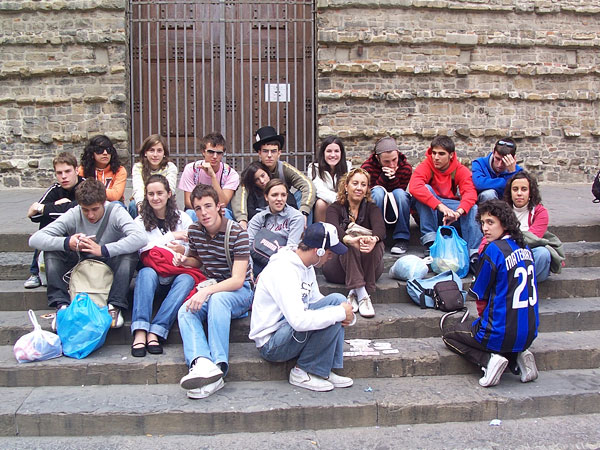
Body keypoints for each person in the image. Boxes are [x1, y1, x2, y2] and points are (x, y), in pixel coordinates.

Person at [442, 200, 539, 387]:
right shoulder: (526, 248)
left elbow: (481, 297)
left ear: (505, 223)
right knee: (505, 331)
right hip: (529, 332)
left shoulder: (493, 250)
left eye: (490, 222)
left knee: (449, 334)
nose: (484, 228)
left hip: (498, 332)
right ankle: (518, 357)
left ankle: (489, 361)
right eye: (482, 223)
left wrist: (482, 324)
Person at [249, 222, 354, 392]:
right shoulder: (283, 270)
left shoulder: (307, 266)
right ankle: (302, 371)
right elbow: (298, 321)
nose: (331, 257)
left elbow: (316, 301)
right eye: (329, 253)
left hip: (290, 331)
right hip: (272, 344)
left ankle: (324, 368)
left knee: (337, 301)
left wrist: (346, 313)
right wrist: (340, 313)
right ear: (318, 251)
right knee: (335, 312)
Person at [28, 179, 147, 329]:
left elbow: (141, 238)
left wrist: (103, 250)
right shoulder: (74, 213)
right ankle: (62, 306)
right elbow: (34, 239)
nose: (90, 215)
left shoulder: (116, 212)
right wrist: (67, 242)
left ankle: (114, 306)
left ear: (103, 203)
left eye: (95, 209)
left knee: (129, 254)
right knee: (52, 252)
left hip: (109, 261)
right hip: (79, 260)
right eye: (85, 210)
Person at [174, 185, 253, 399]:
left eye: (208, 206)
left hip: (240, 291)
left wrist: (205, 292)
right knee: (186, 311)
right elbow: (198, 260)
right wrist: (184, 261)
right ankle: (202, 362)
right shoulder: (195, 231)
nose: (204, 213)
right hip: (213, 286)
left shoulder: (237, 234)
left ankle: (218, 367)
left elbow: (237, 280)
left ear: (219, 206)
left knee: (218, 300)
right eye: (198, 208)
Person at [131, 175, 199, 357]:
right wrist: (172, 236)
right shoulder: (139, 222)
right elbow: (141, 248)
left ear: (169, 194)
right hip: (153, 276)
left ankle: (157, 330)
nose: (155, 198)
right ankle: (140, 330)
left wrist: (182, 251)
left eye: (160, 193)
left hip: (176, 274)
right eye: (151, 194)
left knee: (187, 279)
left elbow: (195, 249)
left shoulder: (183, 218)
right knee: (145, 273)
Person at [322, 168, 385, 318]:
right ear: (346, 186)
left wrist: (373, 239)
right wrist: (349, 239)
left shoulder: (372, 208)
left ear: (367, 189)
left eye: (363, 184)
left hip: (369, 266)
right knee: (347, 244)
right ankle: (363, 295)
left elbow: (380, 229)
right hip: (337, 268)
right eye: (355, 183)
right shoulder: (334, 208)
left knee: (377, 243)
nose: (359, 188)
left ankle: (353, 292)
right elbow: (332, 228)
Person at [409, 135, 482, 258]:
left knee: (473, 208)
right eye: (434, 153)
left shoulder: (460, 169)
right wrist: (439, 206)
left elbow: (470, 193)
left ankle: (474, 254)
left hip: (451, 212)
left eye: (441, 154)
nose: (436, 157)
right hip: (430, 211)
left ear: (451, 155)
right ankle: (430, 242)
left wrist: (458, 212)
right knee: (425, 189)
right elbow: (414, 187)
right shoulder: (426, 165)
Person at [25, 152, 85, 289]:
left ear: (76, 170)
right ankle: (35, 272)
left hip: (81, 230)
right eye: (59, 173)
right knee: (46, 223)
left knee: (51, 215)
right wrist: (55, 205)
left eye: (68, 171)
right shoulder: (55, 189)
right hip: (61, 233)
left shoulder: (85, 186)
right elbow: (35, 217)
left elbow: (79, 209)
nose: (63, 176)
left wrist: (45, 208)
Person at [237, 125, 315, 224]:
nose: (269, 155)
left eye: (273, 151)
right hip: (261, 213)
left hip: (285, 207)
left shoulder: (284, 168)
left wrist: (304, 211)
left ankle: (303, 231)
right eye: (265, 151)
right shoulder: (252, 171)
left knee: (304, 196)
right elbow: (241, 194)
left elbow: (308, 185)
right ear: (259, 153)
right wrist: (242, 219)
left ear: (279, 153)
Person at [503, 171, 563, 282]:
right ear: (510, 192)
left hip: (531, 256)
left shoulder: (540, 212)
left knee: (542, 253)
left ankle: (519, 284)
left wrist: (508, 239)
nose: (519, 193)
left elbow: (532, 239)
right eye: (515, 189)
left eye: (524, 189)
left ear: (530, 192)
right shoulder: (502, 211)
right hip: (509, 257)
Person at [361, 137, 412, 255]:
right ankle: (377, 236)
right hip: (376, 208)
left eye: (394, 160)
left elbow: (400, 191)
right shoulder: (367, 168)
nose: (392, 165)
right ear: (377, 158)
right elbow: (368, 194)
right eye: (386, 162)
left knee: (400, 194)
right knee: (378, 192)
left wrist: (393, 178)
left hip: (396, 210)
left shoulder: (405, 168)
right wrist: (383, 178)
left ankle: (402, 238)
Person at [247, 179, 304, 276]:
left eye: (283, 195)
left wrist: (267, 273)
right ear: (266, 197)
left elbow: (290, 250)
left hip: (284, 265)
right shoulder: (258, 218)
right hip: (258, 262)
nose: (279, 199)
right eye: (274, 195)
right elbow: (246, 246)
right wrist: (250, 272)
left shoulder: (296, 217)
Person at [178, 132, 240, 221]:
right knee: (189, 214)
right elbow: (188, 202)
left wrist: (213, 176)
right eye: (211, 152)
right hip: (196, 209)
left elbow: (223, 203)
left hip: (220, 211)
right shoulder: (192, 169)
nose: (215, 156)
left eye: (219, 153)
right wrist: (205, 210)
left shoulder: (230, 173)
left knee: (226, 213)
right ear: (203, 152)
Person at [230, 161, 297, 228]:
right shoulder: (252, 194)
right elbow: (250, 213)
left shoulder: (279, 187)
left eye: (263, 175)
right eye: (257, 179)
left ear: (267, 173)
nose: (262, 181)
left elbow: (292, 207)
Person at [128, 134, 178, 218]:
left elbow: (170, 189)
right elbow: (138, 188)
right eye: (151, 150)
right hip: (144, 200)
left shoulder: (170, 167)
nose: (155, 155)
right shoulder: (138, 167)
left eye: (159, 151)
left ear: (164, 153)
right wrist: (140, 205)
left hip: (163, 201)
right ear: (145, 153)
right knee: (133, 205)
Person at [307, 136, 351, 223]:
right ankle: (322, 230)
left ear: (341, 153)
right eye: (329, 151)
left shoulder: (348, 167)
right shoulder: (313, 168)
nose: (333, 155)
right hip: (325, 205)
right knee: (321, 203)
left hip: (343, 203)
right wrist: (338, 199)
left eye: (336, 151)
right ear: (323, 153)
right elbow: (319, 190)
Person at [78, 135, 127, 204]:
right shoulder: (82, 170)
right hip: (90, 205)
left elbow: (115, 196)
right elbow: (80, 194)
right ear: (91, 153)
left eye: (109, 150)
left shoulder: (119, 170)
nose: (105, 153)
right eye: (99, 150)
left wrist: (91, 191)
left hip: (112, 206)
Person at [472, 138, 522, 202]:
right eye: (497, 159)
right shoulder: (479, 163)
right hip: (485, 204)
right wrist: (508, 180)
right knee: (489, 194)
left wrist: (512, 173)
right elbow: (479, 184)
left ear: (513, 158)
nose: (499, 164)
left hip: (508, 204)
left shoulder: (518, 171)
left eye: (504, 161)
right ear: (493, 153)